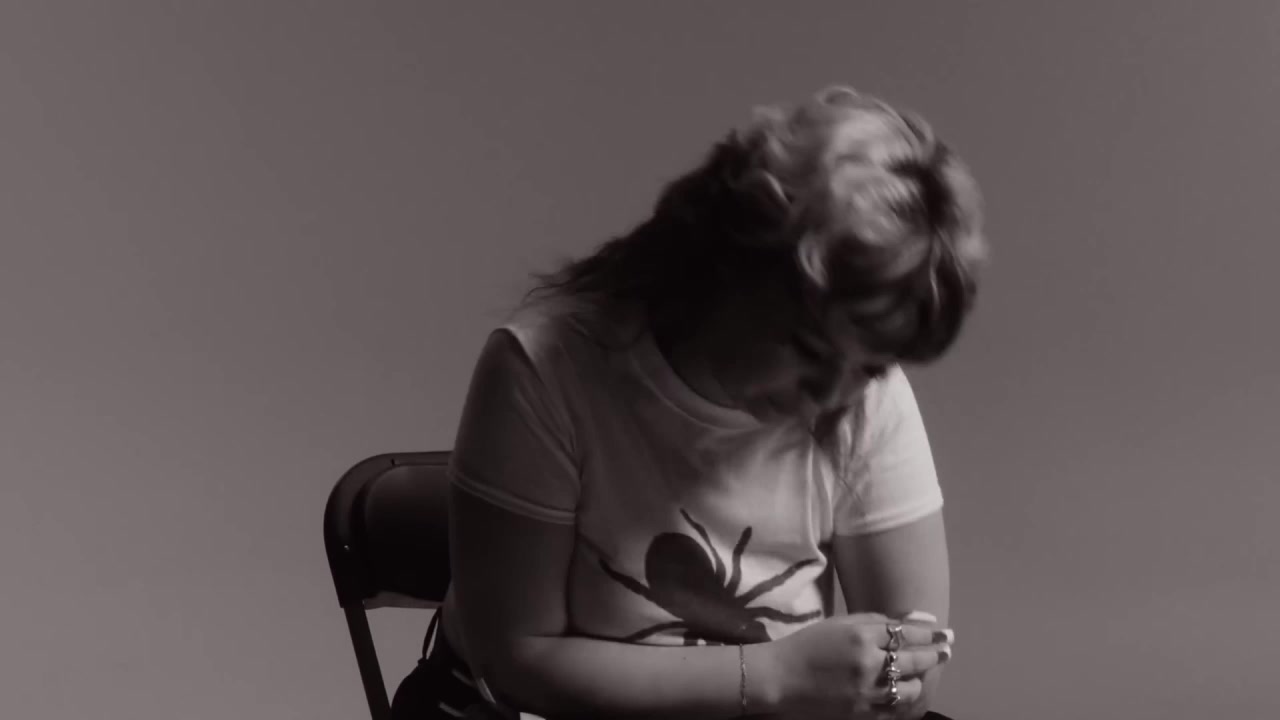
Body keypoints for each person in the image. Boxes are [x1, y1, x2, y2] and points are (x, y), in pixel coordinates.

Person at [392, 85, 987, 720]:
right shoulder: (546, 367)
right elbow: (517, 661)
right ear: (735, 264)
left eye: (869, 365)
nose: (832, 396)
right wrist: (775, 675)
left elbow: (909, 677)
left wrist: (889, 681)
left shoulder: (868, 400)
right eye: (809, 349)